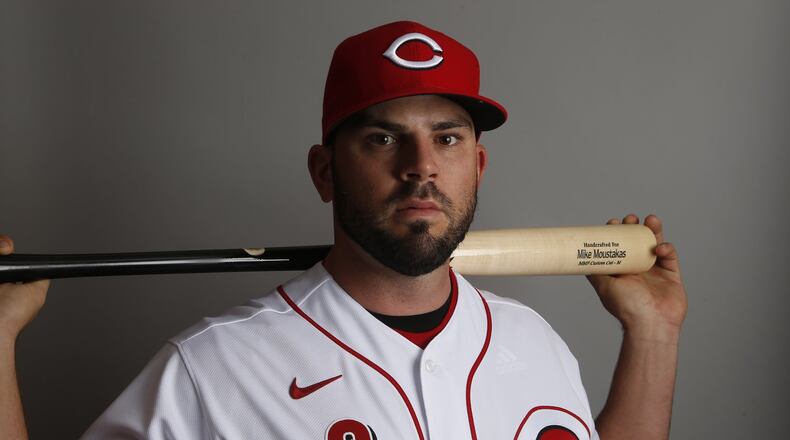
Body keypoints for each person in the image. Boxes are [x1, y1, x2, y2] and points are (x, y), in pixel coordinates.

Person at [0, 21, 687, 439]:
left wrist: (653, 333)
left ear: (477, 166)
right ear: (325, 172)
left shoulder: (534, 342)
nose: (422, 166)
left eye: (447, 138)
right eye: (383, 138)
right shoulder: (213, 370)